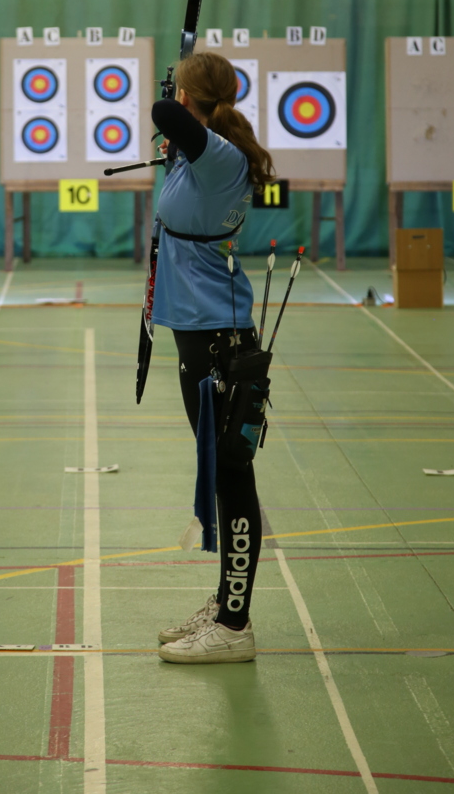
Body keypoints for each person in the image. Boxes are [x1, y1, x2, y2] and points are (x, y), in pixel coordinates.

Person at [149, 51, 275, 665]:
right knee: (220, 471)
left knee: (231, 474)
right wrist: (183, 116)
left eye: (181, 89)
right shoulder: (202, 157)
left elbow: (162, 111)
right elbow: (173, 123)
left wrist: (176, 101)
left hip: (218, 336)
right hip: (199, 330)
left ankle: (234, 625)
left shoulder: (220, 156)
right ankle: (226, 603)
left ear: (191, 98)